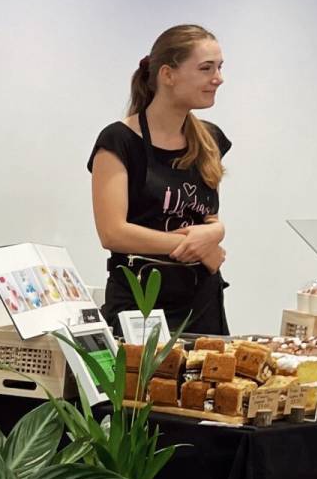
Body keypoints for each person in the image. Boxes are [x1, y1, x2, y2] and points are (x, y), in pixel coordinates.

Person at [89, 24, 231, 333]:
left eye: (219, 67)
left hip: (203, 301)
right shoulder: (119, 141)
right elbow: (113, 233)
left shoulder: (209, 139)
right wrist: (197, 245)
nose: (218, 78)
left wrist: (215, 233)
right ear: (167, 75)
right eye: (206, 68)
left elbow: (208, 220)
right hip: (141, 302)